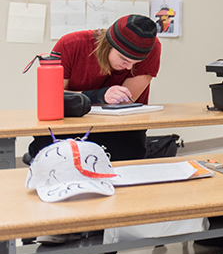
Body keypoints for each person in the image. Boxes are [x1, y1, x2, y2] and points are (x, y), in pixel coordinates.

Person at [28, 14, 161, 162]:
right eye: (124, 59)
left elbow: (126, 101)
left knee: (128, 153)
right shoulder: (71, 44)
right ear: (108, 45)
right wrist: (99, 96)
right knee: (50, 156)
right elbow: (52, 97)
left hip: (121, 129)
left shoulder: (152, 47)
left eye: (136, 62)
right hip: (70, 124)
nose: (129, 67)